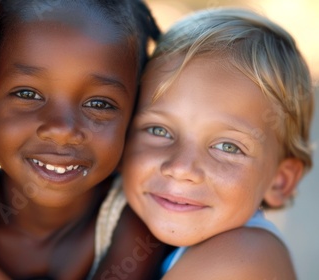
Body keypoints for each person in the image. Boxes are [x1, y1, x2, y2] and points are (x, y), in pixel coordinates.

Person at [0, 0, 171, 279]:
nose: (62, 129)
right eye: (28, 94)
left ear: (134, 112)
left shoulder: (135, 224)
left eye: (99, 104)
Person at [121, 8, 314, 279]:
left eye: (228, 147)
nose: (181, 167)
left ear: (279, 180)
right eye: (159, 130)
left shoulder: (244, 257)